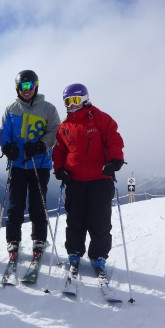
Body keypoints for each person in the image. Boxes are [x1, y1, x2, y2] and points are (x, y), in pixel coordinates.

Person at [52, 83, 125, 277]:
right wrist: (59, 169)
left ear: (85, 99)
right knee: (75, 218)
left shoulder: (100, 118)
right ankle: (74, 252)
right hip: (75, 180)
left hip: (100, 177)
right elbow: (59, 150)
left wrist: (115, 159)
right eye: (68, 102)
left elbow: (113, 138)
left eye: (76, 100)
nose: (72, 105)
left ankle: (98, 256)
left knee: (99, 219)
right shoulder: (64, 126)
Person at [0, 70, 61, 261]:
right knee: (15, 205)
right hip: (17, 164)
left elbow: (55, 130)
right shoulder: (11, 109)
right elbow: (5, 132)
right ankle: (13, 240)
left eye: (30, 86)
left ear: (36, 86)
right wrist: (7, 147)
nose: (26, 90)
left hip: (39, 163)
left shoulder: (48, 109)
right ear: (17, 88)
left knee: (37, 203)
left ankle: (39, 239)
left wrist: (41, 144)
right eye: (22, 86)